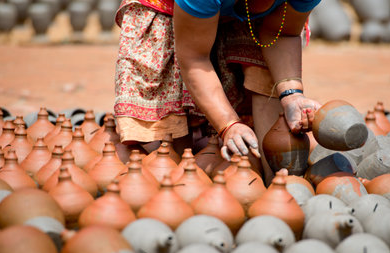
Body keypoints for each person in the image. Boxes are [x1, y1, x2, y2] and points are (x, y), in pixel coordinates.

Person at [114, 0, 322, 181]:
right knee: (168, 155)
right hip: (171, 10)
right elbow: (194, 59)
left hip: (240, 11)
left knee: (265, 70)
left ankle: (272, 177)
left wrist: (292, 94)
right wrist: (228, 124)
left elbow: (282, 33)